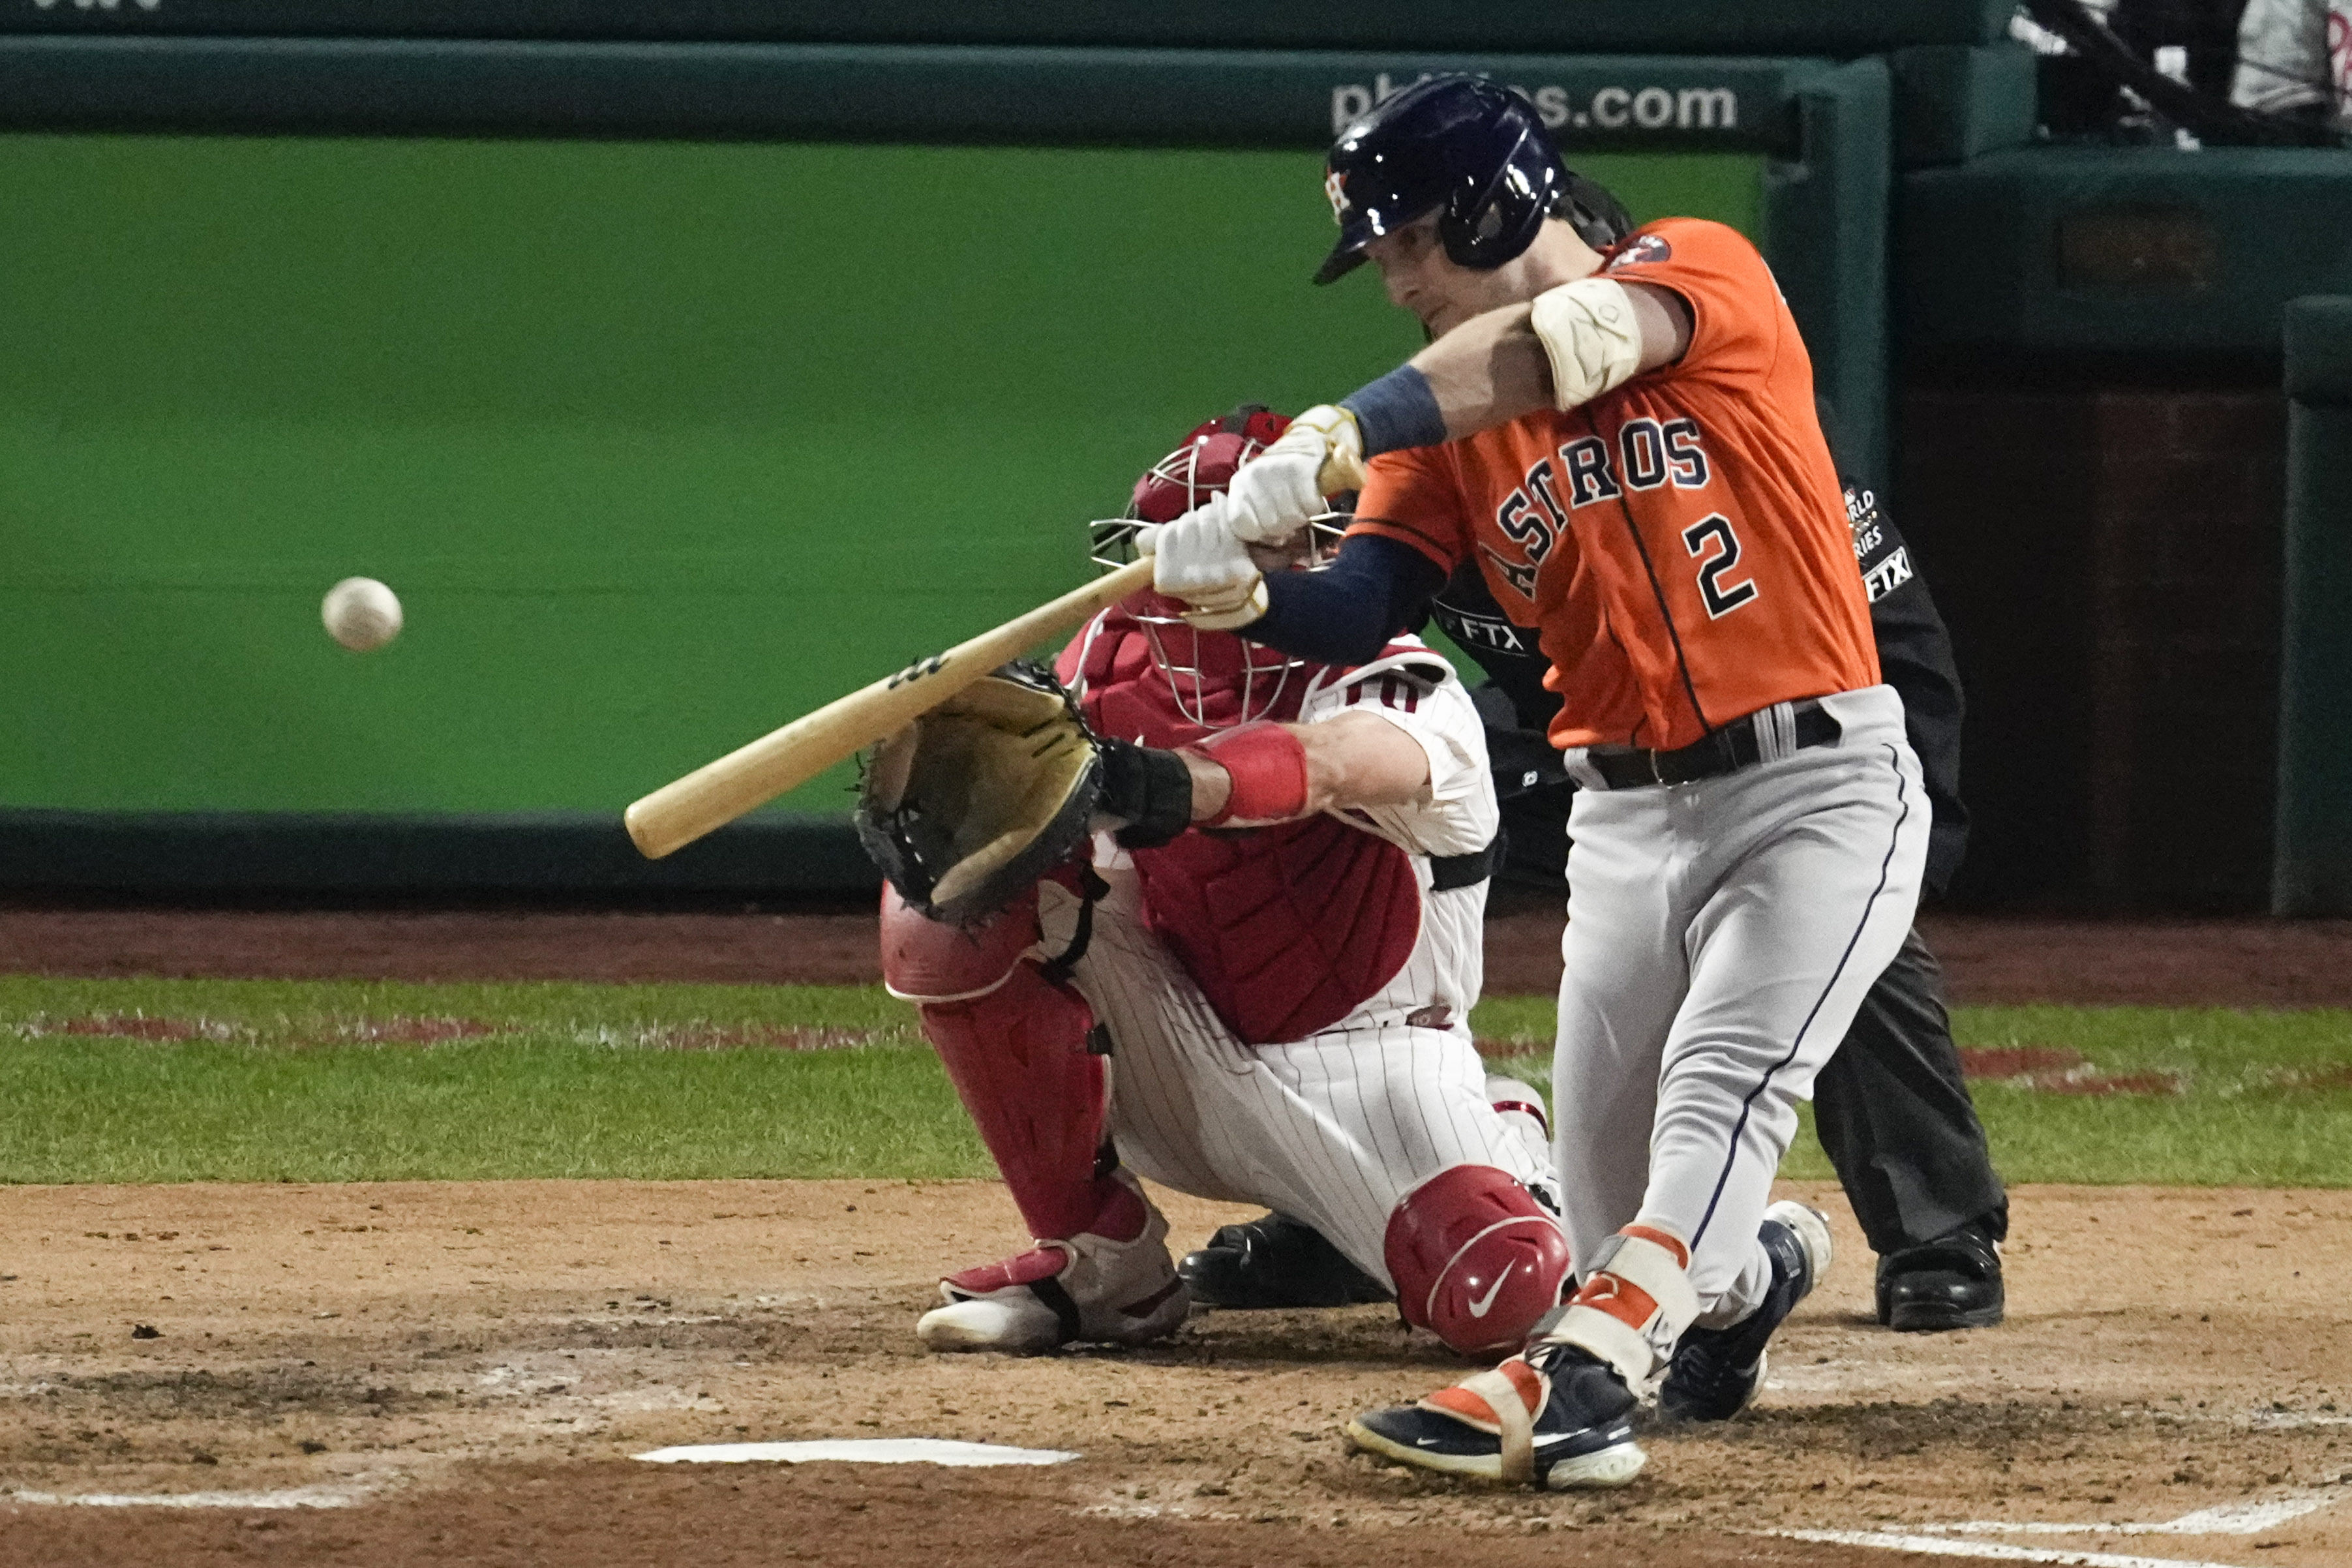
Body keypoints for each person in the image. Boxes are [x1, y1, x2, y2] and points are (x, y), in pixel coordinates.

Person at [1142, 74, 1929, 1488]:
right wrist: (1245, 597)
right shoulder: (1446, 435)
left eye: (1409, 245)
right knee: (1619, 1207)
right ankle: (1752, 1272)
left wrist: (1342, 428)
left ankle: (1579, 1382)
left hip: (1817, 786)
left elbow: (1570, 340)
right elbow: (1360, 602)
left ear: (1499, 199)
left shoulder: (1700, 273)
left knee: (1720, 1092)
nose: (1395, 283)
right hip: (1626, 821)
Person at [1183, 455, 2010, 1335]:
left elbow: (1893, 632)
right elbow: (1359, 641)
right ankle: (1361, 1206)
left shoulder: (1706, 431)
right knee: (1355, 833)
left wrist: (1899, 830)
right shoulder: (1426, 466)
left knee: (1842, 928)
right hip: (1579, 749)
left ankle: (1936, 1230)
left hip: (1793, 744)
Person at [881, 408, 1575, 1362]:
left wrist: (1169, 782)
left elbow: (1335, 764)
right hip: (1178, 1032)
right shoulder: (1099, 668)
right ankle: (1100, 1264)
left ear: (1312, 552)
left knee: (1503, 1298)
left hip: (1369, 1064)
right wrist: (959, 781)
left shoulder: (1397, 680)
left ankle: (1522, 1147)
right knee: (957, 896)